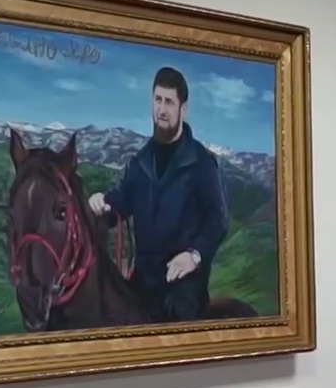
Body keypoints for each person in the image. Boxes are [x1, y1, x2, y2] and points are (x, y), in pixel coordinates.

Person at [86, 66, 229, 321]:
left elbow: (218, 220)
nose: (161, 109)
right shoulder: (139, 161)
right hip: (143, 283)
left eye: (169, 102)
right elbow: (120, 202)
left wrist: (194, 256)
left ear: (183, 109)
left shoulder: (202, 162)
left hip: (184, 286)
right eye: (158, 100)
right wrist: (101, 204)